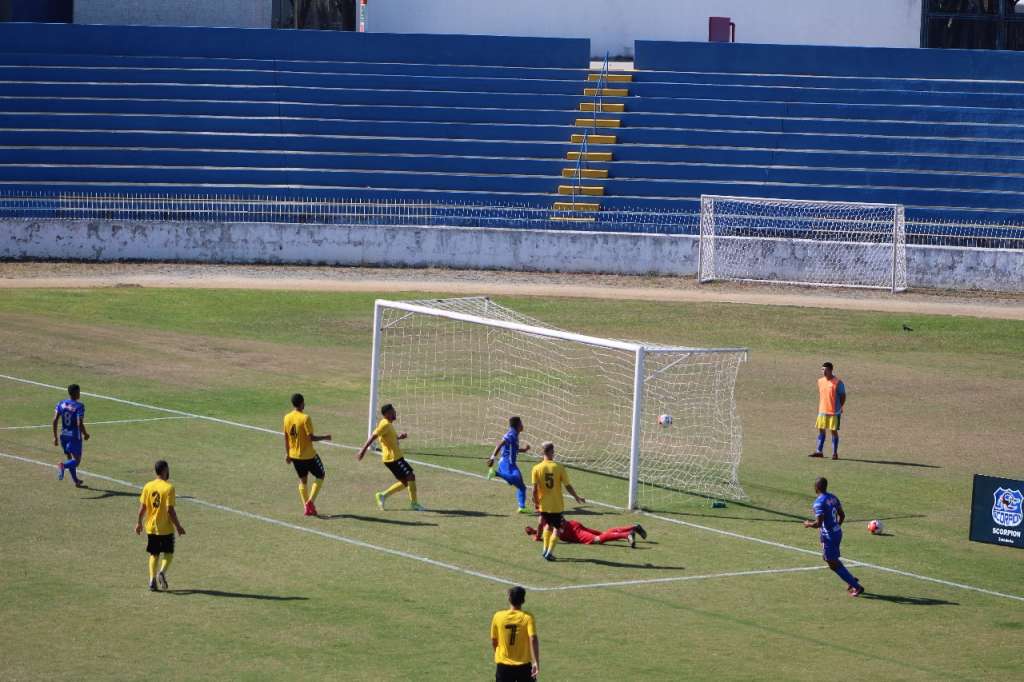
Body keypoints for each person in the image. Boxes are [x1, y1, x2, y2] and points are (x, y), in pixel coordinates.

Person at [803, 477, 863, 597]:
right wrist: (836, 527)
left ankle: (856, 586)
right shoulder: (833, 497)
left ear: (816, 488)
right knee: (831, 560)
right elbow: (842, 515)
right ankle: (851, 579)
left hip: (829, 536)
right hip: (837, 533)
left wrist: (808, 524)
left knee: (831, 562)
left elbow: (818, 524)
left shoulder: (818, 503)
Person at [357, 403, 423, 511]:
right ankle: (414, 504)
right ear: (387, 414)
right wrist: (363, 450)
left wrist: (399, 438)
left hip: (394, 458)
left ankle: (382, 495)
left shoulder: (388, 424)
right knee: (411, 476)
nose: (395, 412)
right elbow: (373, 436)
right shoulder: (385, 424)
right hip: (393, 458)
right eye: (393, 411)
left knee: (405, 482)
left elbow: (388, 438)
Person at [135, 459, 185, 592]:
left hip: (151, 527)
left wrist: (139, 523)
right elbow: (170, 510)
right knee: (168, 553)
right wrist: (178, 526)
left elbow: (143, 508)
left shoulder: (148, 486)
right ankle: (162, 572)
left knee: (154, 554)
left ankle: (152, 580)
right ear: (164, 470)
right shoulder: (169, 488)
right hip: (165, 528)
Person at [530, 442, 585, 561]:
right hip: (556, 505)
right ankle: (549, 552)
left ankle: (544, 550)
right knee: (559, 528)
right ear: (551, 452)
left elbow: (534, 489)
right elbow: (568, 486)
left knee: (548, 525)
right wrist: (576, 497)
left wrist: (535, 501)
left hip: (543, 505)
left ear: (542, 452)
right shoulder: (559, 467)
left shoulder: (536, 468)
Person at [284, 393, 332, 516]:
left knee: (303, 480)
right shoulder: (305, 418)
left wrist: (288, 454)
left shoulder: (287, 417)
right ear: (301, 403)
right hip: (309, 455)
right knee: (321, 475)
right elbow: (311, 438)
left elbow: (286, 437)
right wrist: (325, 437)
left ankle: (306, 507)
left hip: (295, 456)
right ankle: (310, 502)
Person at [490, 585, 539, 682]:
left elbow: (494, 640)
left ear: (509, 599)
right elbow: (533, 638)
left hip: (503, 666)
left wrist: (498, 653)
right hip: (524, 666)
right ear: (523, 601)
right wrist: (536, 662)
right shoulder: (528, 617)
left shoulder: (498, 616)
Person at [486, 416, 532, 514]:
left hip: (512, 464)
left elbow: (512, 449)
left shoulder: (515, 434)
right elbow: (500, 444)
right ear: (517, 426)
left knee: (521, 486)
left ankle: (522, 507)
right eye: (521, 423)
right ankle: (495, 473)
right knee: (516, 480)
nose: (522, 425)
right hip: (506, 463)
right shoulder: (511, 434)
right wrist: (492, 458)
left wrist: (523, 450)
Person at [53, 383, 89, 487]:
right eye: (79, 391)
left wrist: (55, 436)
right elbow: (79, 423)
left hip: (63, 435)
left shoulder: (61, 403)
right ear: (76, 393)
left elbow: (55, 420)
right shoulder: (79, 406)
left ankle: (76, 481)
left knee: (70, 459)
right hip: (74, 437)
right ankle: (62, 466)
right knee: (76, 461)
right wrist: (85, 434)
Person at [527, 518, 647, 548]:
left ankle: (627, 535)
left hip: (573, 531)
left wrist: (536, 535)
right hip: (573, 524)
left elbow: (547, 529)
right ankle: (633, 527)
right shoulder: (552, 507)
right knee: (604, 534)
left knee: (598, 539)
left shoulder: (546, 520)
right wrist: (534, 532)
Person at [810, 361, 846, 459]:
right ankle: (819, 451)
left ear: (830, 370)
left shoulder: (838, 382)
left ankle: (835, 453)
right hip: (822, 410)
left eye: (825, 370)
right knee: (821, 430)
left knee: (833, 431)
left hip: (834, 412)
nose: (823, 372)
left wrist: (840, 407)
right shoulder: (820, 381)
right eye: (822, 369)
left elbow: (843, 396)